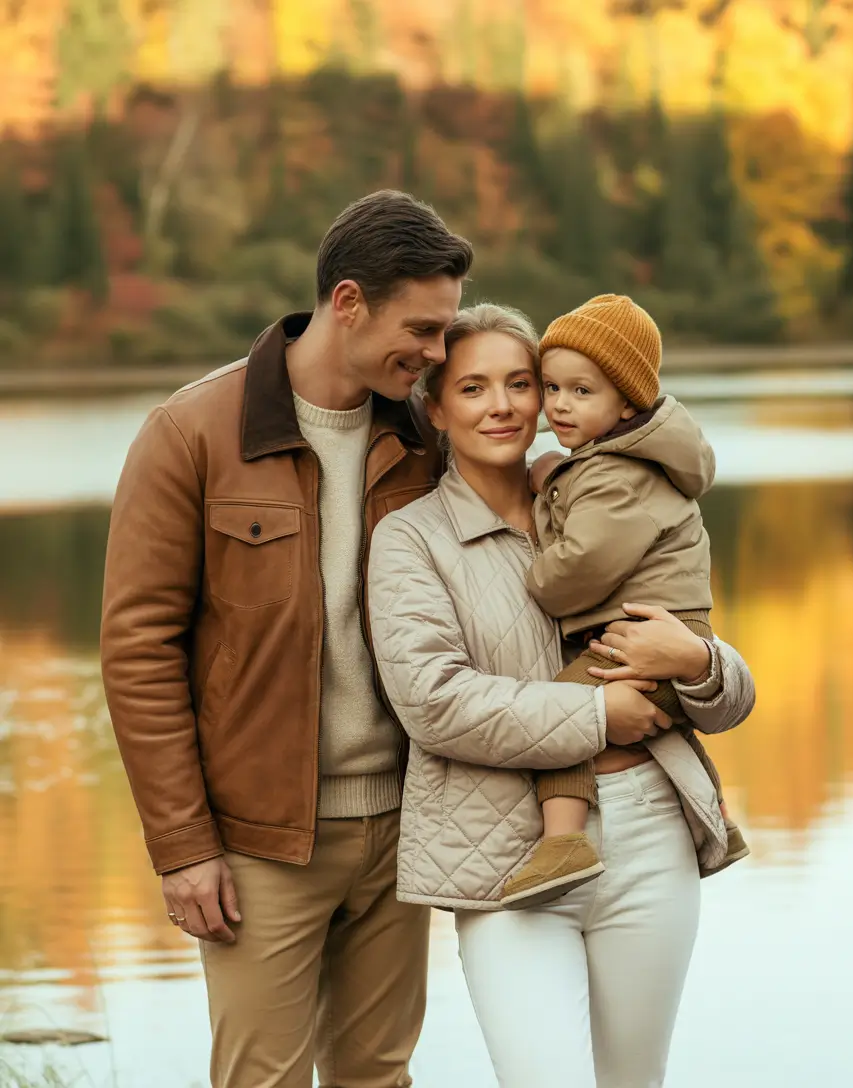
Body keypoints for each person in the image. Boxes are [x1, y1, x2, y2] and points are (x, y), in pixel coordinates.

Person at [100, 190, 472, 1088]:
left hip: (404, 826)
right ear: (349, 303)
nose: (438, 353)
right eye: (422, 330)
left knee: (378, 1076)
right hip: (259, 844)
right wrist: (184, 847)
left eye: (445, 332)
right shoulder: (191, 432)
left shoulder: (424, 439)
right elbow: (138, 652)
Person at [367, 302, 755, 1088]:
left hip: (652, 830)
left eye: (521, 383)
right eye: (472, 388)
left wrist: (697, 661)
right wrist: (598, 713)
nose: (503, 405)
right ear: (435, 410)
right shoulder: (411, 539)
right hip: (506, 856)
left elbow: (725, 696)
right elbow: (435, 703)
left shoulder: (603, 491)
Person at [500, 293, 749, 909]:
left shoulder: (618, 475)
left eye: (581, 391)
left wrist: (535, 561)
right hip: (653, 626)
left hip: (649, 630)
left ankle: (563, 842)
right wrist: (558, 479)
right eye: (551, 387)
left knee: (564, 714)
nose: (560, 404)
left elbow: (578, 569)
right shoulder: (613, 461)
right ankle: (719, 819)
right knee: (645, 717)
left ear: (628, 403)